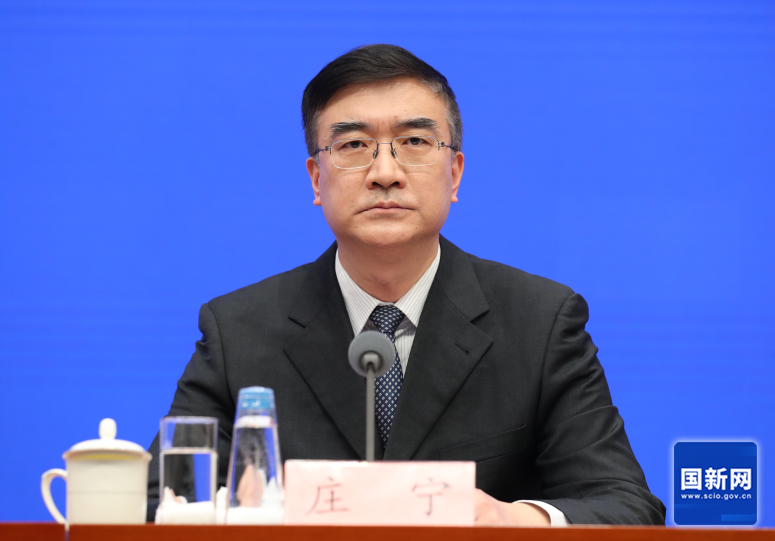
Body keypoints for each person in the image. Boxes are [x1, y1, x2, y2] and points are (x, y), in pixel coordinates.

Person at [146, 44, 666, 525]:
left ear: (455, 174)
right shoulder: (239, 331)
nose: (385, 172)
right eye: (353, 144)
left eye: (414, 142)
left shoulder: (540, 322)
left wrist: (512, 520)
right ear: (316, 179)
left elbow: (624, 504)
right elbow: (156, 504)